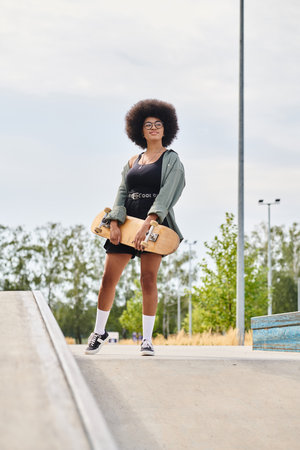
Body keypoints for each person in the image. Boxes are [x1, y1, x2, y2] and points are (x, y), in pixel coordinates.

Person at [85, 99, 185, 356]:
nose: (153, 128)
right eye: (148, 124)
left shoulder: (172, 161)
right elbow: (122, 192)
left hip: (156, 227)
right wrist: (116, 222)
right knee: (108, 280)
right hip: (127, 223)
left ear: (166, 129)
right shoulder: (132, 161)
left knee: (148, 280)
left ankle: (147, 340)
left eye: (158, 124)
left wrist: (150, 223)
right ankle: (99, 332)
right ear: (140, 131)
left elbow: (167, 194)